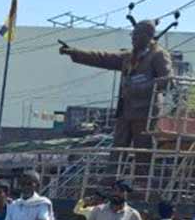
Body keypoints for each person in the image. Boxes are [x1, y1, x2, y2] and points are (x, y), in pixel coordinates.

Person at [60, 17, 173, 149]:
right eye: (132, 34)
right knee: (118, 149)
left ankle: (142, 170)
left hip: (145, 112)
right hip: (125, 110)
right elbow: (102, 58)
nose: (133, 38)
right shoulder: (129, 56)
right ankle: (114, 169)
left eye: (136, 35)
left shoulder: (158, 55)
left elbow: (168, 81)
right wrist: (74, 52)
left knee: (143, 149)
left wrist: (140, 88)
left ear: (147, 36)